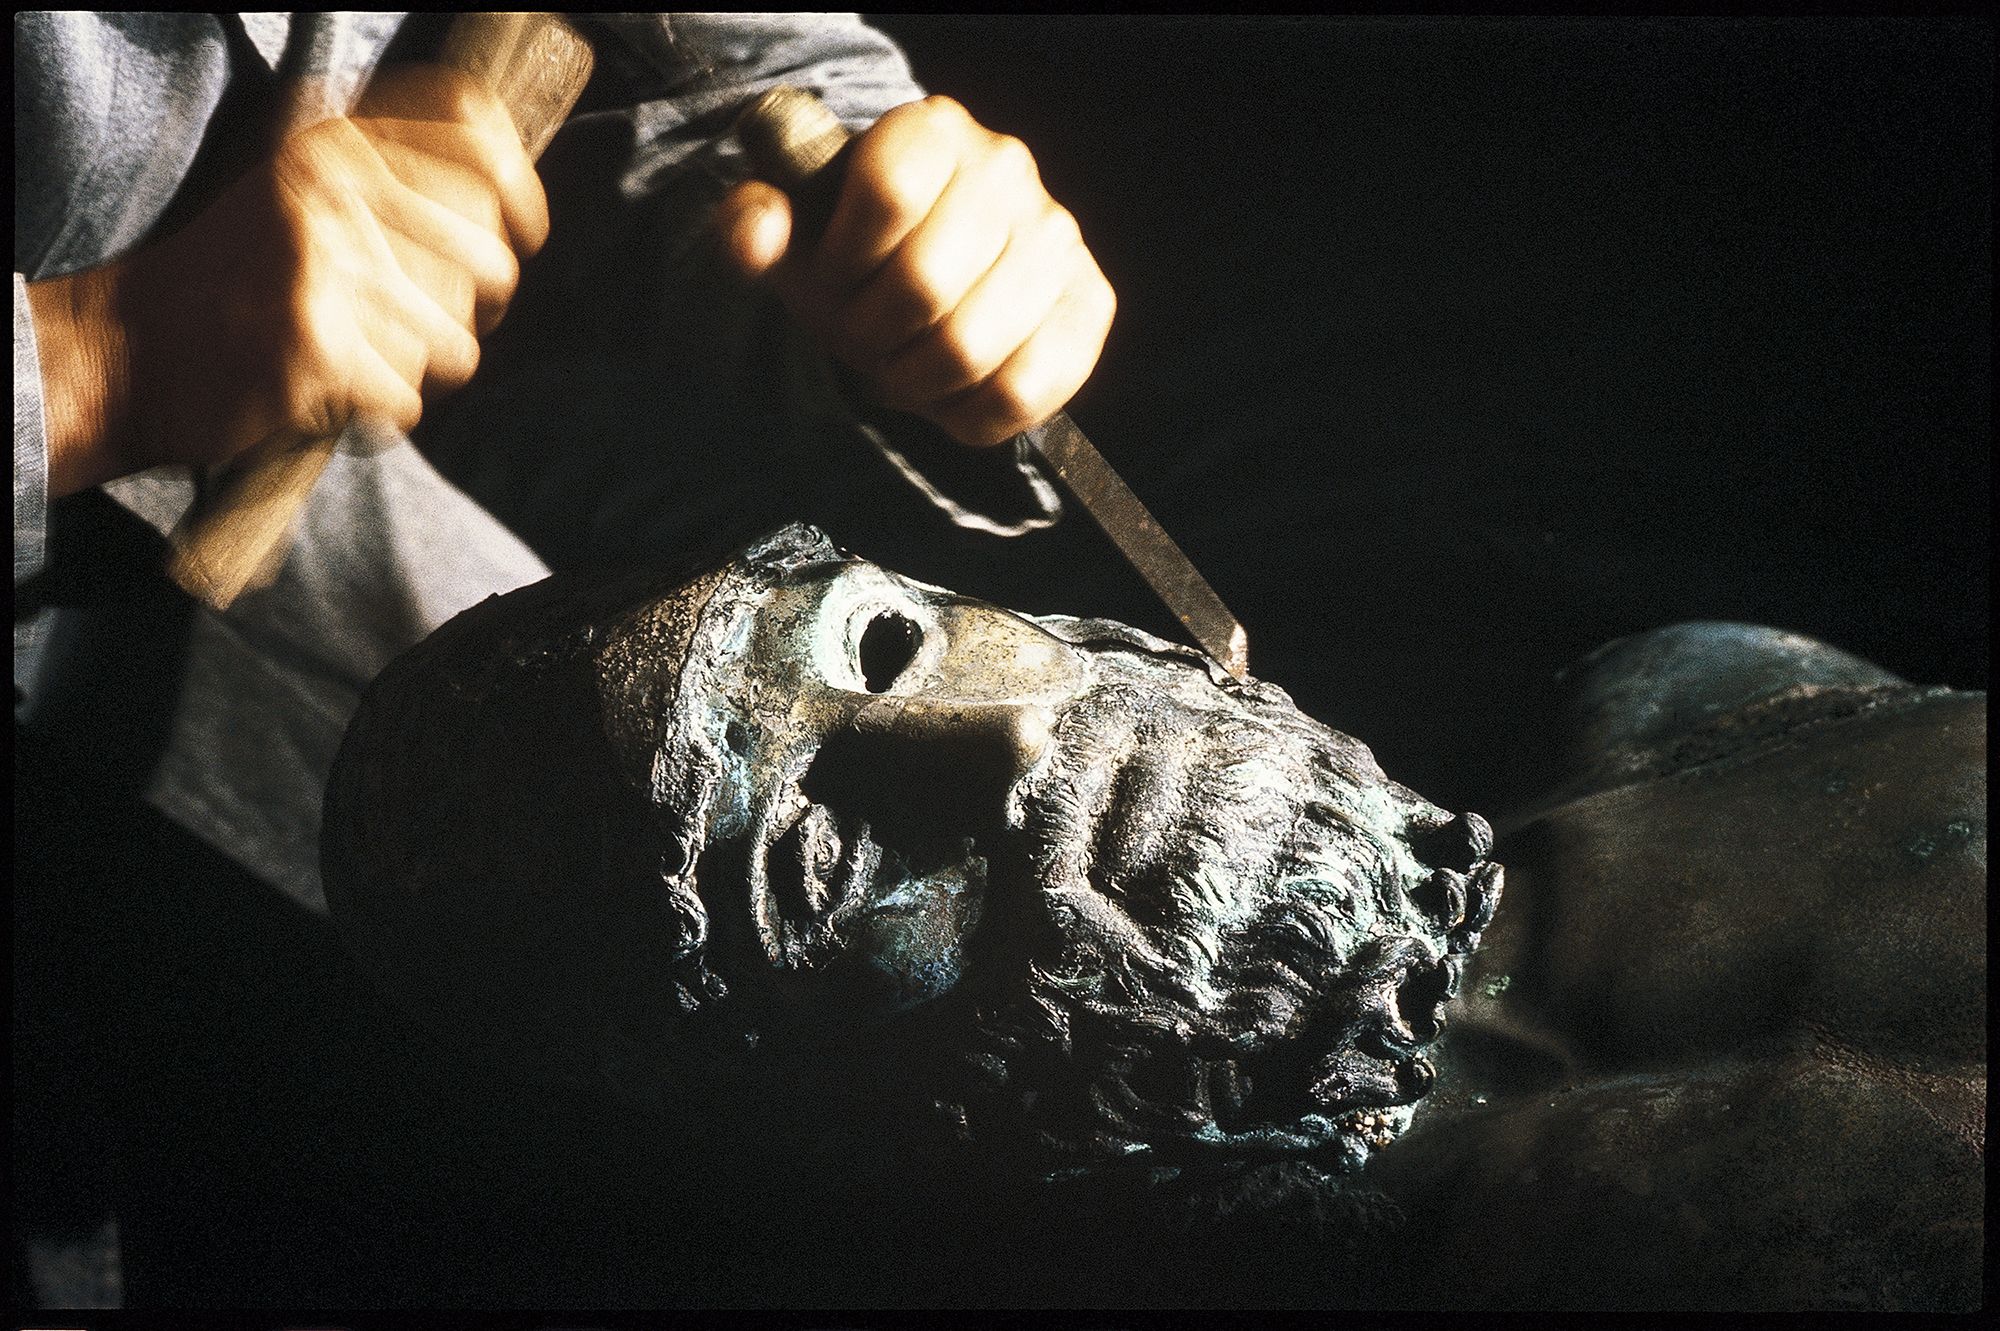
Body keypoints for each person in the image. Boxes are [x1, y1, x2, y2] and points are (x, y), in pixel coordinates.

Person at [12, 12, 1111, 1307]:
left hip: (271, 507)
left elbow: (759, 75)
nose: (1010, 736)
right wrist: (91, 364)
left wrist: (915, 229)